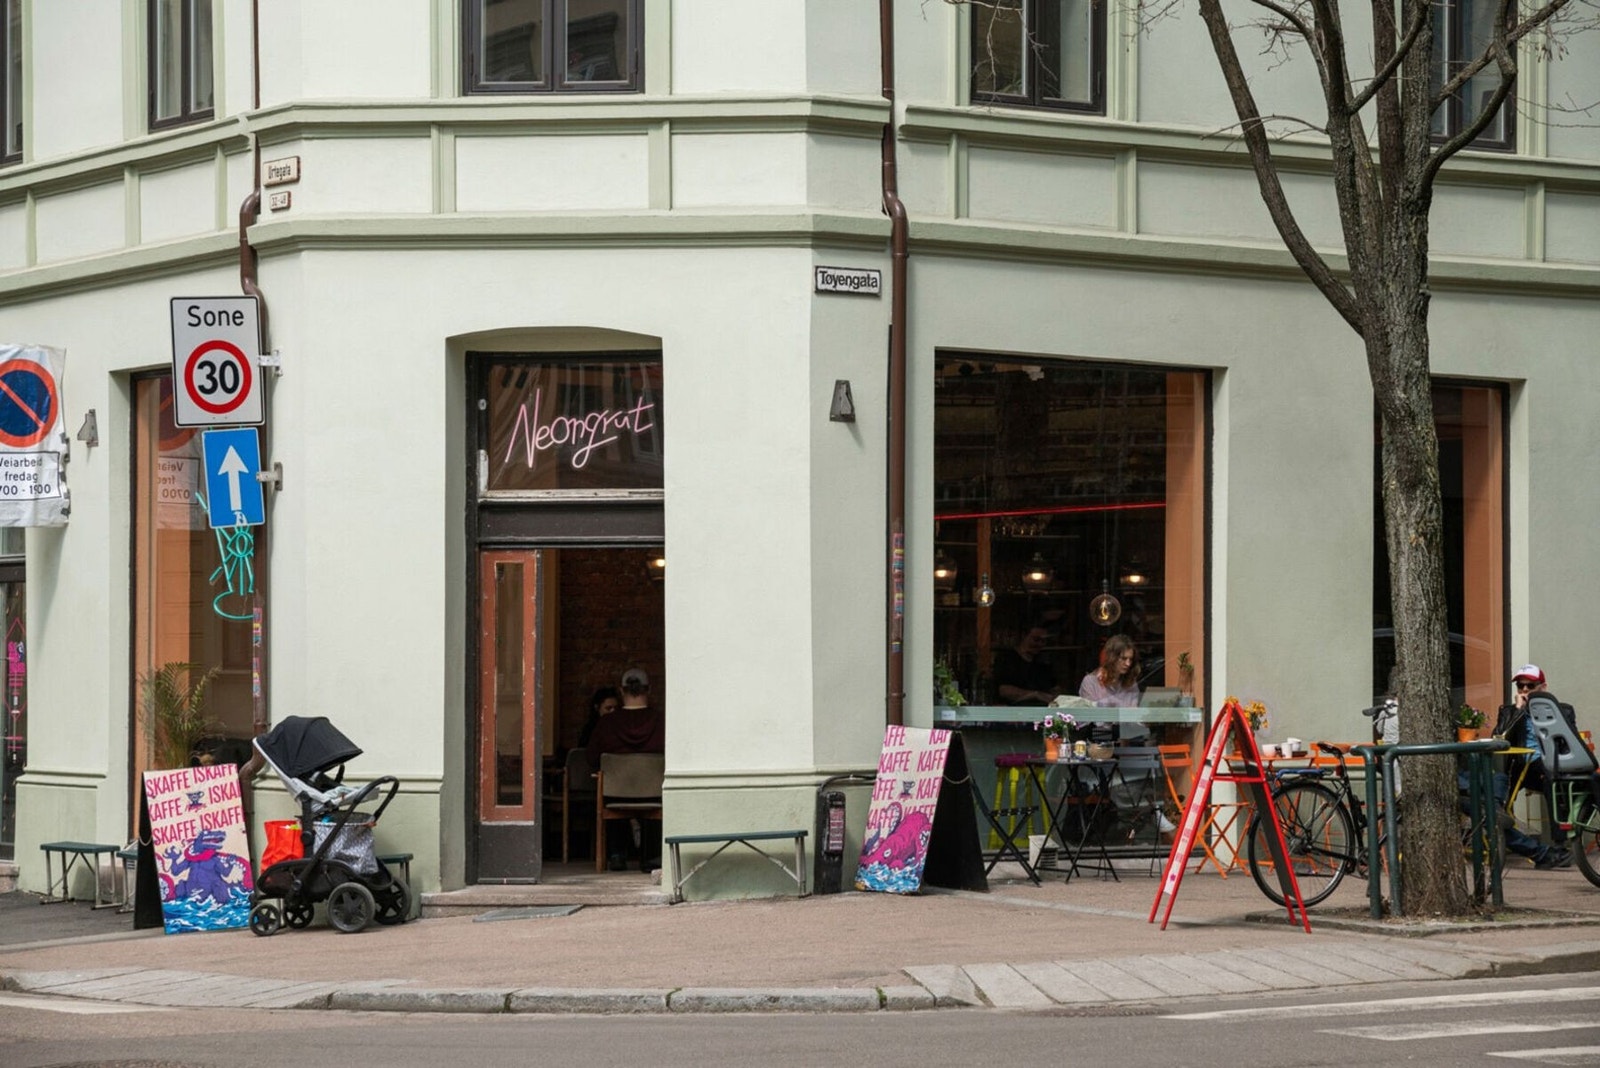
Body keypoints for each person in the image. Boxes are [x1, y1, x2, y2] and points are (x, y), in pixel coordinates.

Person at [1492, 663, 1580, 855]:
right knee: (1498, 784)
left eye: (1530, 686)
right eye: (1520, 686)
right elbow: (1499, 737)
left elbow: (1571, 742)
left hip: (1548, 765)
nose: (1524, 690)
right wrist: (1517, 710)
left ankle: (1560, 844)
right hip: (1518, 764)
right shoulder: (1508, 711)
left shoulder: (1562, 710)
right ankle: (1500, 835)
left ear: (1543, 687)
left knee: (1552, 778)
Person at [586, 667, 665, 872]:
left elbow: (592, 758)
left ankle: (616, 855)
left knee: (612, 790)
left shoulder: (606, 724)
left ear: (622, 691)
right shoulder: (662, 722)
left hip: (615, 795)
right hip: (654, 795)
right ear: (649, 690)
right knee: (653, 795)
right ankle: (653, 857)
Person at [993, 624, 1061, 706]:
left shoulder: (1044, 662)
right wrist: (1035, 695)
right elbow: (1004, 690)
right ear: (1023, 636)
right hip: (1013, 712)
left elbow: (1054, 687)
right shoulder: (1007, 658)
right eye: (1036, 640)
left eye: (1043, 641)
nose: (1040, 644)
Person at [1079, 634, 1140, 709]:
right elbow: (1088, 715)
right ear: (1111, 657)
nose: (1128, 664)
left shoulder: (1131, 683)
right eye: (1124, 658)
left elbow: (1133, 714)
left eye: (1130, 659)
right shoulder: (1090, 682)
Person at [575, 685, 620, 751]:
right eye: (608, 708)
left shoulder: (620, 726)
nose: (613, 711)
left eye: (616, 708)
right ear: (597, 707)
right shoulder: (590, 730)